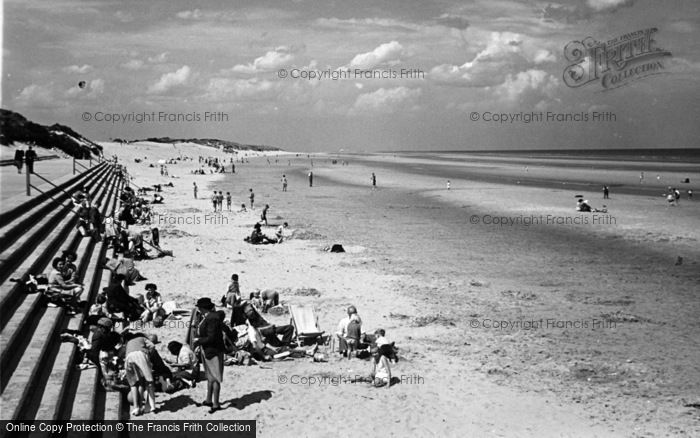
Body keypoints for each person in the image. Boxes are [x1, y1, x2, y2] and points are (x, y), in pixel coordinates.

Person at [192, 297, 224, 413]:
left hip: (213, 351)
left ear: (202, 308)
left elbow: (211, 337)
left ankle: (215, 404)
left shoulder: (211, 318)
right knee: (210, 377)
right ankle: (209, 400)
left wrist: (198, 341)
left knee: (215, 378)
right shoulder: (209, 317)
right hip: (208, 350)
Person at [123, 332, 157, 416]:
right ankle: (150, 406)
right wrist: (148, 354)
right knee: (147, 381)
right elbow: (152, 346)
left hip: (128, 358)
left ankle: (136, 408)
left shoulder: (129, 343)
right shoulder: (143, 338)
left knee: (134, 384)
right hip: (140, 355)